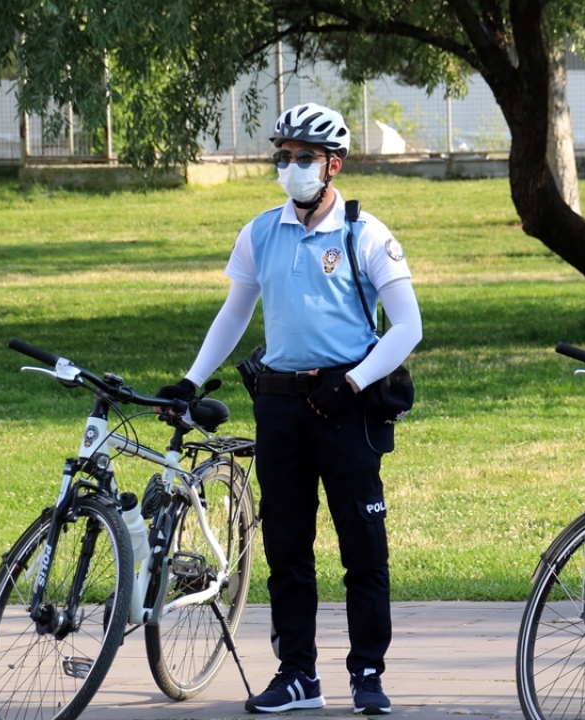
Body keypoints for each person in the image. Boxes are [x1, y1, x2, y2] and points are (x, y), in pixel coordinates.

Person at [157, 102, 422, 715]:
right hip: (280, 408)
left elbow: (407, 327)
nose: (291, 167)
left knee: (363, 545)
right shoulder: (259, 232)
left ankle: (367, 673)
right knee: (286, 546)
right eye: (284, 156)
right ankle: (298, 674)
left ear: (333, 166)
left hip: (346, 406)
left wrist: (353, 383)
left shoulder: (366, 234)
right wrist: (191, 381)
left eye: (304, 157)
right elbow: (235, 312)